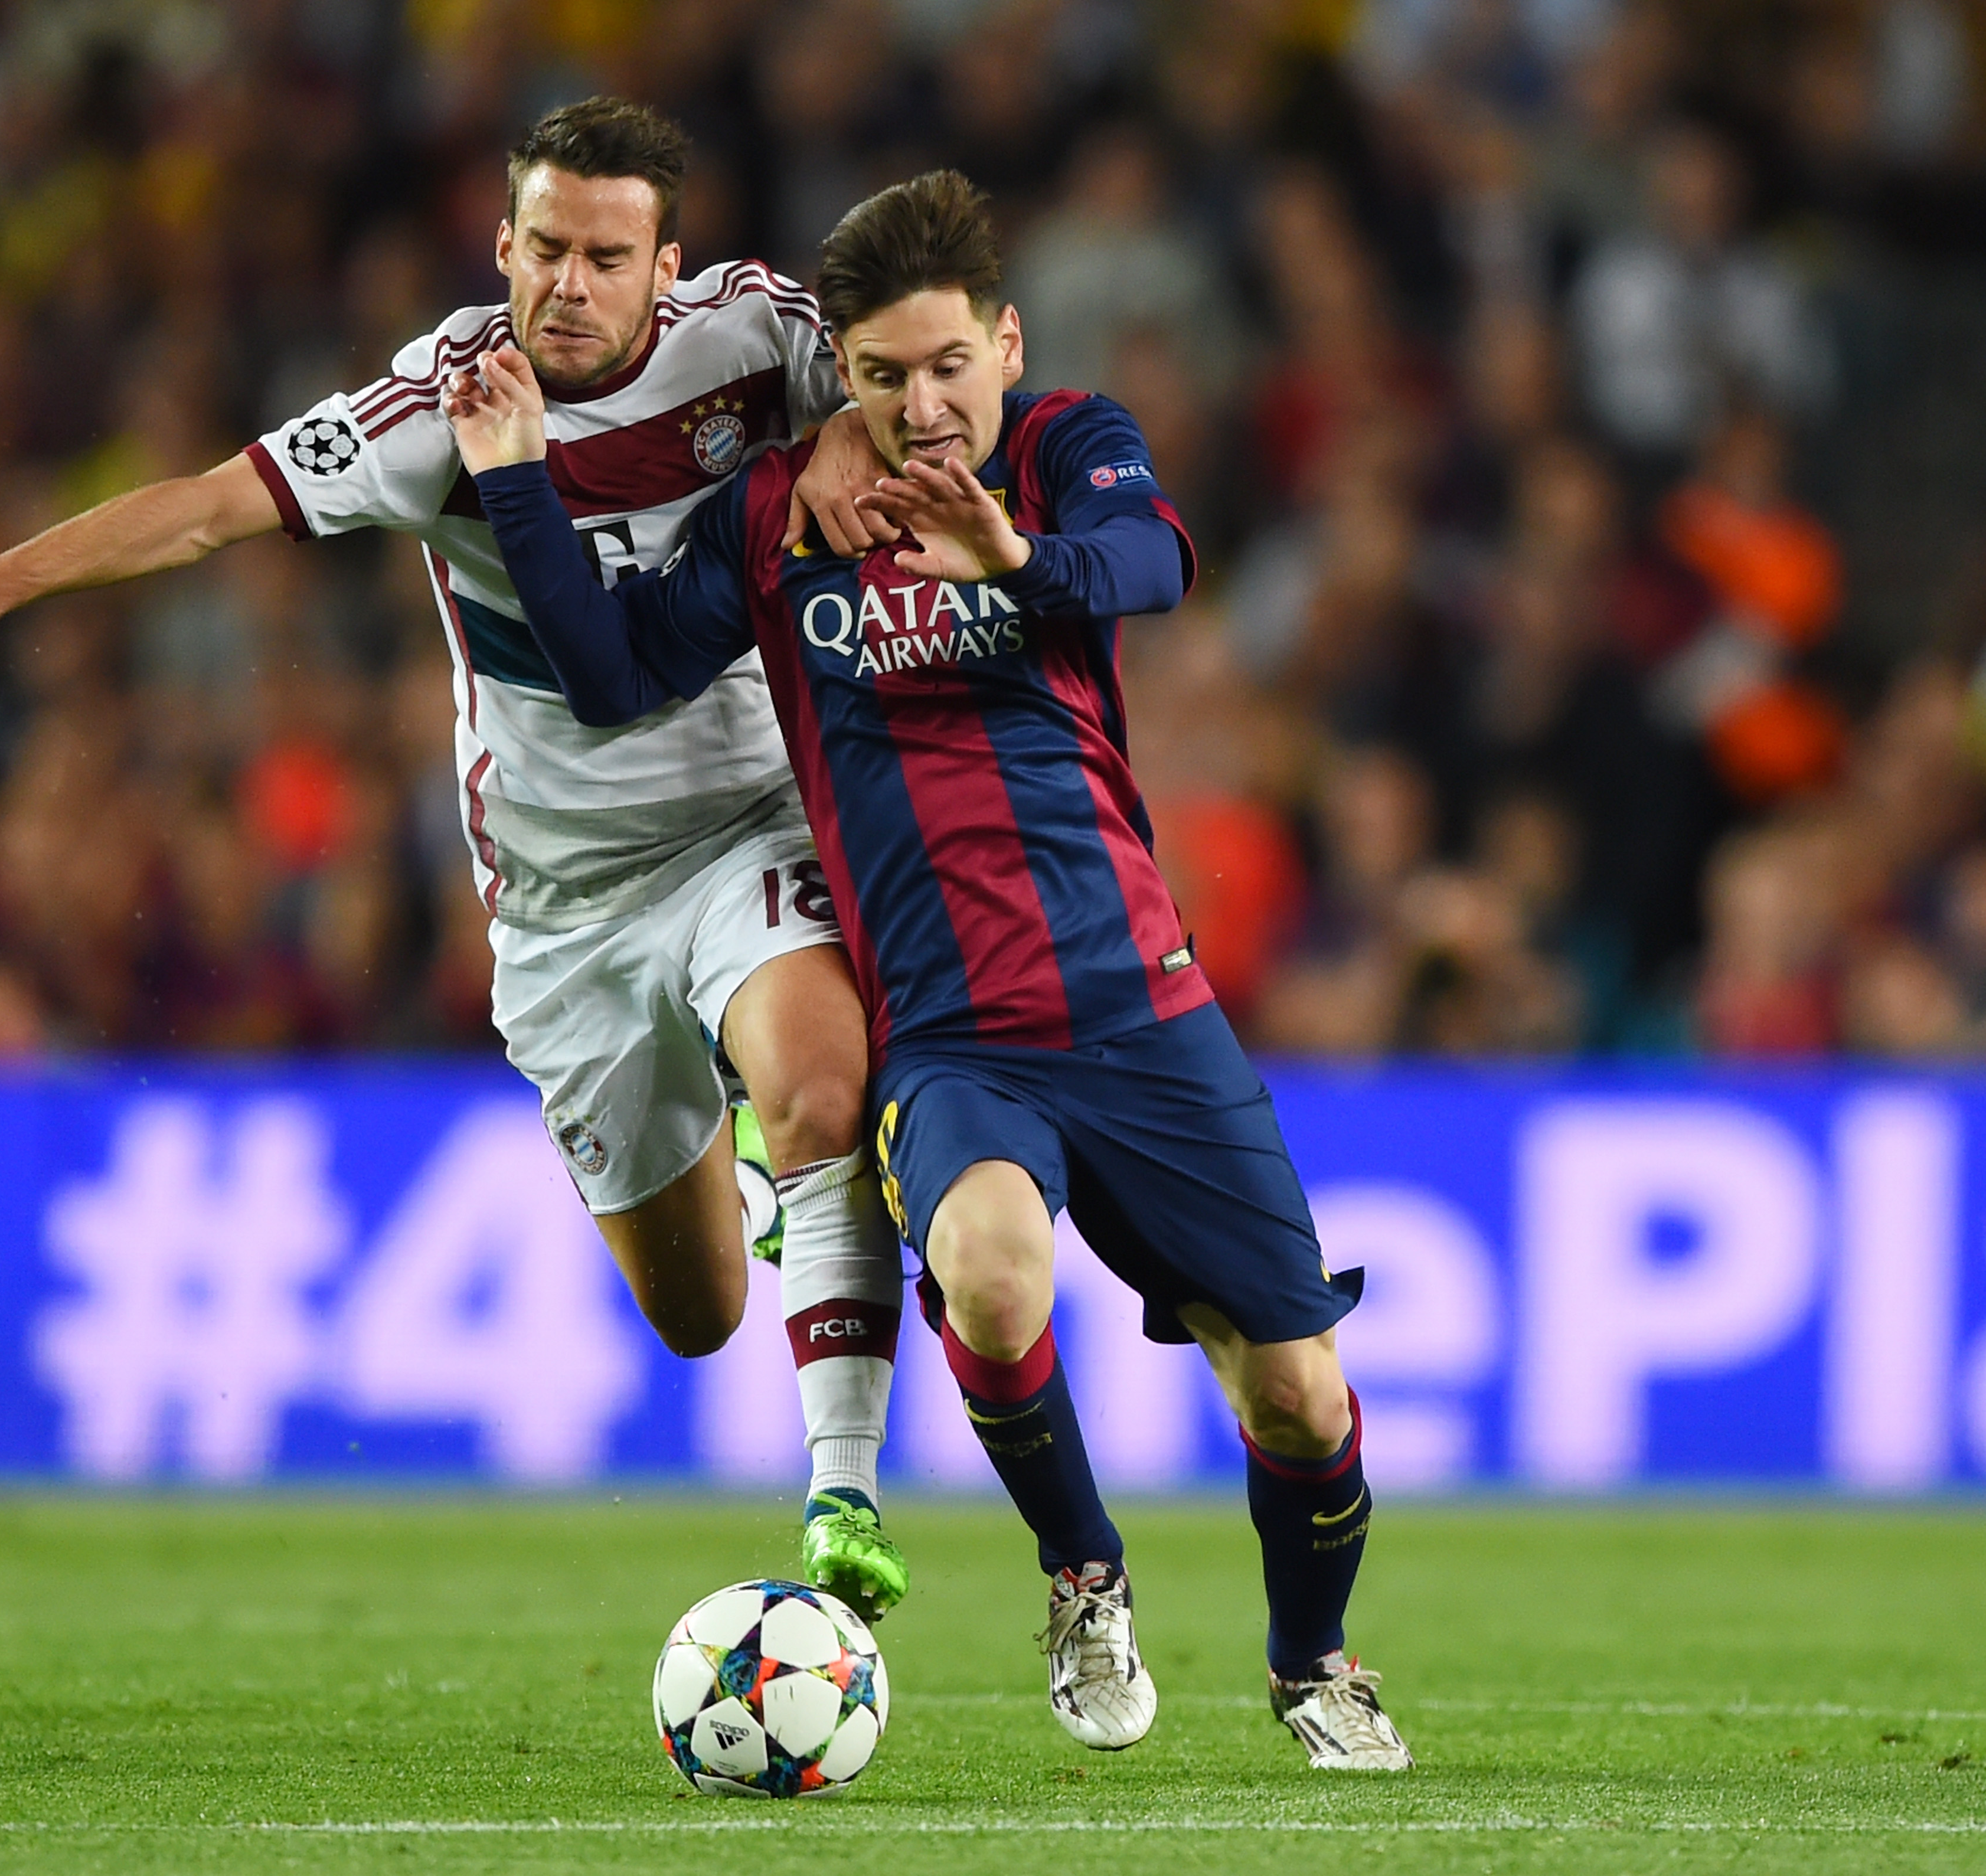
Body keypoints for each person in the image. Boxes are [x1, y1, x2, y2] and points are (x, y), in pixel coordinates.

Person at [0, 98, 911, 1619]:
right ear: (502, 244)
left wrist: (849, 420)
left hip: (747, 826)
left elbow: (917, 369)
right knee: (701, 1315)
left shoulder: (757, 337)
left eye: (607, 257)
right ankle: (761, 1187)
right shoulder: (442, 407)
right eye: (545, 249)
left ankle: (844, 1501)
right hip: (568, 905)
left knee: (823, 1084)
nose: (569, 285)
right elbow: (207, 512)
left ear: (669, 268)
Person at [445, 168, 1412, 1770]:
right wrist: (519, 483)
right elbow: (614, 675)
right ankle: (1084, 1574)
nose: (924, 406)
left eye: (951, 365)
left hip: (1144, 1007)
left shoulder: (1065, 447)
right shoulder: (784, 513)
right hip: (951, 1036)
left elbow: (1153, 560)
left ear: (1006, 344)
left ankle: (1315, 1663)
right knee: (990, 1272)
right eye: (884, 375)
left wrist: (1012, 557)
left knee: (1300, 1396)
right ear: (840, 368)